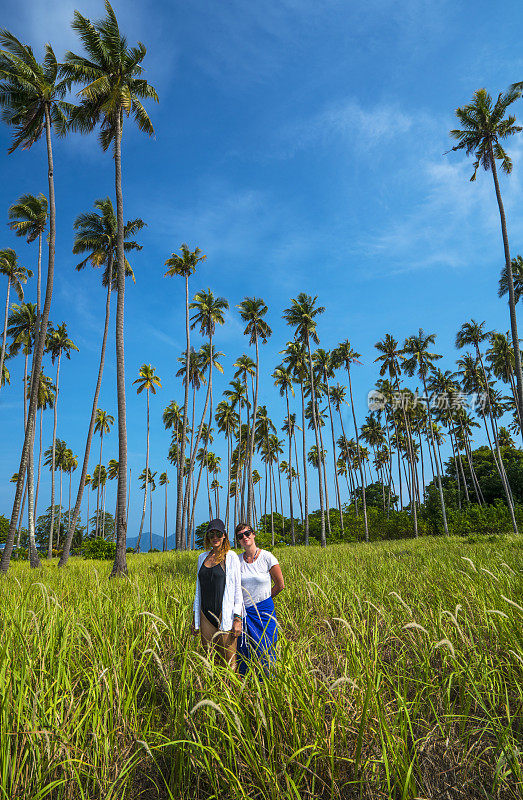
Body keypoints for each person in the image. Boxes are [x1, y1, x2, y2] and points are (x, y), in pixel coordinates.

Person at [191, 519, 242, 670]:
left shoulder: (231, 557)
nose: (215, 537)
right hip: (205, 615)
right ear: (207, 537)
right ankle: (215, 692)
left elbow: (238, 590)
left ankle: (232, 693)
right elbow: (198, 590)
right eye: (211, 534)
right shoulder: (202, 558)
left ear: (224, 536)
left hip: (224, 614)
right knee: (211, 663)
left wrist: (237, 618)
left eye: (218, 534)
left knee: (230, 664)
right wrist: (195, 618)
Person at [235, 522, 284, 676]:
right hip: (243, 614)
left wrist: (265, 600)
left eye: (247, 533)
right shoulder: (236, 561)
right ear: (238, 540)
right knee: (243, 653)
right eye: (240, 536)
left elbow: (280, 585)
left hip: (264, 612)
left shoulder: (267, 557)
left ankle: (269, 687)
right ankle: (247, 688)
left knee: (267, 652)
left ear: (253, 534)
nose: (245, 537)